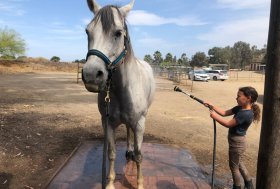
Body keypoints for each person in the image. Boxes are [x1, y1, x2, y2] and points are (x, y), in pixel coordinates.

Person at [204, 86, 261, 189]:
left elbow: (228, 124)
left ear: (248, 98)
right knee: (239, 164)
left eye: (239, 96)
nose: (236, 98)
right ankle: (249, 184)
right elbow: (224, 113)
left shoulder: (246, 114)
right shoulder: (240, 108)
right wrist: (212, 105)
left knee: (234, 167)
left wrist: (214, 117)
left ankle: (237, 186)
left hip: (237, 143)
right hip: (237, 142)